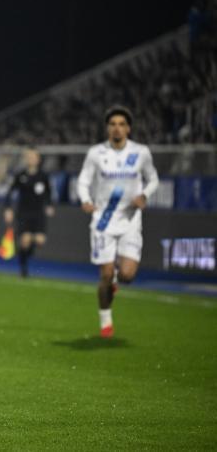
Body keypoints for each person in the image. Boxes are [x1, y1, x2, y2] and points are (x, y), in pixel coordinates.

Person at [77, 106, 158, 338]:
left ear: (128, 128)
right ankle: (105, 321)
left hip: (130, 219)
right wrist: (85, 199)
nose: (117, 128)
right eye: (113, 124)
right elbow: (83, 180)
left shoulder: (141, 152)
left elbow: (153, 179)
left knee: (127, 275)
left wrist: (144, 196)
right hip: (103, 219)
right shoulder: (96, 153)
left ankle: (116, 280)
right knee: (104, 274)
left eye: (122, 124)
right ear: (107, 128)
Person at [3, 148, 54, 277]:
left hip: (38, 213)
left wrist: (49, 205)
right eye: (29, 157)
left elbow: (49, 193)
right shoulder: (20, 175)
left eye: (34, 157)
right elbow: (10, 192)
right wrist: (8, 209)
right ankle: (23, 268)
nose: (31, 159)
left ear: (38, 159)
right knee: (25, 240)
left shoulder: (43, 176)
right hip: (23, 213)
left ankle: (25, 252)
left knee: (40, 241)